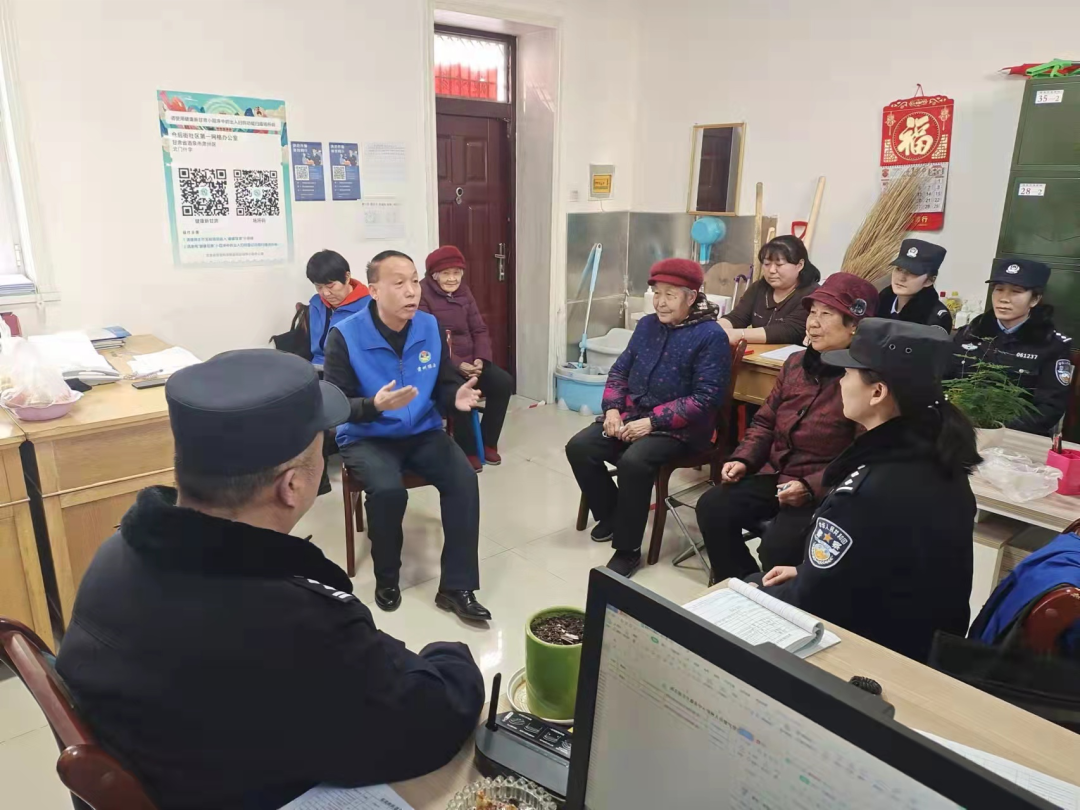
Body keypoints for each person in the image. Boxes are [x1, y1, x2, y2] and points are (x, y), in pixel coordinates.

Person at [54, 350, 485, 810]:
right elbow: (432, 723)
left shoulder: (114, 553)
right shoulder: (295, 619)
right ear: (292, 486)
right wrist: (452, 656)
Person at [754, 319, 980, 662]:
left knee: (748, 591)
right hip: (921, 638)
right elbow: (884, 559)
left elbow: (814, 599)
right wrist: (807, 571)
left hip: (872, 650)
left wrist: (760, 597)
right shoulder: (937, 455)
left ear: (878, 393)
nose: (840, 382)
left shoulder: (866, 490)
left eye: (847, 374)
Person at [323, 250, 491, 621]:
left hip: (422, 431)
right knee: (388, 491)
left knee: (464, 480)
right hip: (367, 436)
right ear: (374, 290)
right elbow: (336, 405)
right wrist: (373, 406)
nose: (412, 291)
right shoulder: (345, 336)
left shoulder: (429, 326)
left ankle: (456, 588)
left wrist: (454, 395)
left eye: (414, 281)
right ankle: (387, 578)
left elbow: (443, 380)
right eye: (399, 283)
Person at [697, 273, 878, 583]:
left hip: (822, 488)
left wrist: (810, 487)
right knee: (713, 506)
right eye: (812, 312)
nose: (813, 323)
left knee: (777, 548)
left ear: (854, 326)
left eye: (826, 314)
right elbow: (765, 421)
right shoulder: (795, 363)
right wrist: (743, 459)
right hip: (776, 473)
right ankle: (741, 584)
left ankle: (774, 595)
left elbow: (863, 457)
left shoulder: (865, 380)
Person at [565, 258, 730, 579]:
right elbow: (619, 370)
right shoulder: (647, 326)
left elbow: (706, 399)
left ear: (691, 297)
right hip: (633, 415)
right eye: (657, 293)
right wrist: (613, 409)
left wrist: (652, 423)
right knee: (581, 446)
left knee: (634, 461)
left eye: (670, 295)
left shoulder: (710, 336)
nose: (660, 302)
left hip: (682, 431)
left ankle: (627, 551)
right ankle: (613, 514)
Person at [949, 258, 1072, 436]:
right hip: (959, 430)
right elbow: (942, 383)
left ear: (1035, 299)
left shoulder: (1051, 344)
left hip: (1014, 436)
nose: (1004, 299)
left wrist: (995, 429)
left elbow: (1049, 407)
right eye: (999, 289)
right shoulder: (968, 334)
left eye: (1016, 292)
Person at [420, 245, 513, 470]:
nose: (452, 278)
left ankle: (488, 441)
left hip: (472, 360)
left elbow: (479, 329)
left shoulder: (464, 292)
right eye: (446, 273)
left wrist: (481, 359)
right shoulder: (422, 294)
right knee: (458, 388)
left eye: (457, 273)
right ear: (434, 275)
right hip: (443, 364)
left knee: (503, 382)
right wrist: (458, 364)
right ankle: (467, 449)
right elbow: (427, 341)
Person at [720, 235, 821, 345]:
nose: (772, 270)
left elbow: (789, 330)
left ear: (799, 265)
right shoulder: (759, 287)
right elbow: (737, 318)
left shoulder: (813, 294)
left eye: (779, 264)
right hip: (758, 353)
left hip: (792, 355)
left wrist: (738, 335)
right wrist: (714, 328)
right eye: (767, 264)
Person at [306, 249, 370, 367]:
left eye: (330, 286)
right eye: (319, 287)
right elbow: (315, 351)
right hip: (318, 368)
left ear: (347, 277)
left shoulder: (370, 307)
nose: (325, 293)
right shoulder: (316, 304)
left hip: (351, 370)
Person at [878, 238, 952, 331]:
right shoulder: (879, 303)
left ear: (929, 280)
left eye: (913, 272)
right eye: (899, 269)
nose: (901, 278)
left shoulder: (935, 318)